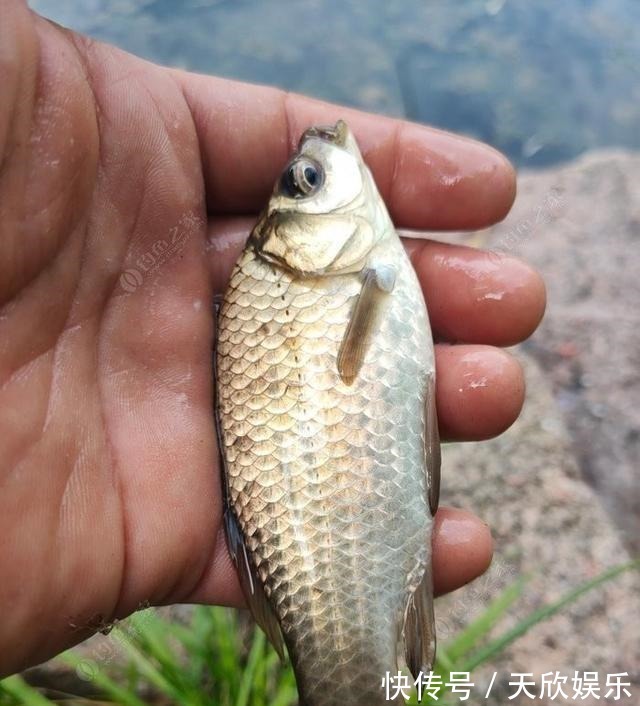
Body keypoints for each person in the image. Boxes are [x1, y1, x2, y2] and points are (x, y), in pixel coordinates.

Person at [0, 1, 545, 678]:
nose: (316, 163)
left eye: (304, 182)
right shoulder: (338, 276)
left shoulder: (333, 276)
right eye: (306, 183)